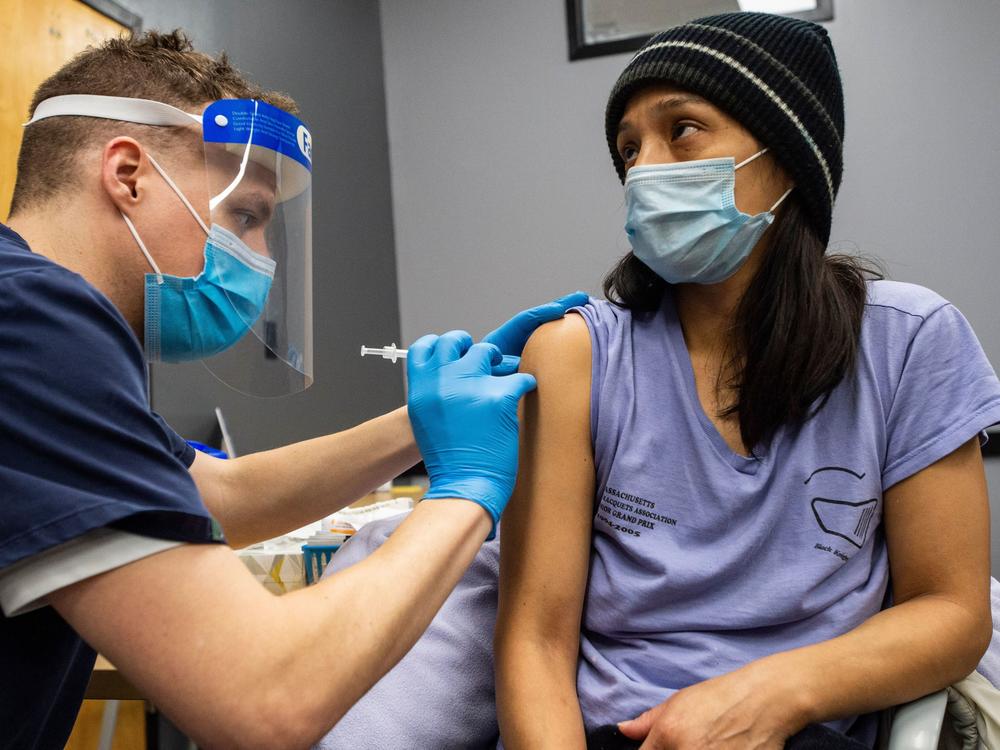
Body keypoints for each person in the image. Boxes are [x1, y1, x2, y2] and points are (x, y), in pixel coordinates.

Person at [0, 30, 585, 749]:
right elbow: (266, 699)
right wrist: (464, 491)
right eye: (245, 216)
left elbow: (223, 495)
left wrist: (422, 421)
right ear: (128, 175)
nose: (263, 259)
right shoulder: (32, 325)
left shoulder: (29, 314)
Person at [494, 12, 1000, 750]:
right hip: (615, 731)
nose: (643, 169)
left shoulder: (908, 341)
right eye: (628, 148)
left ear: (788, 159)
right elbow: (534, 641)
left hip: (805, 727)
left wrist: (770, 694)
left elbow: (951, 612)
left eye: (684, 130)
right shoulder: (575, 355)